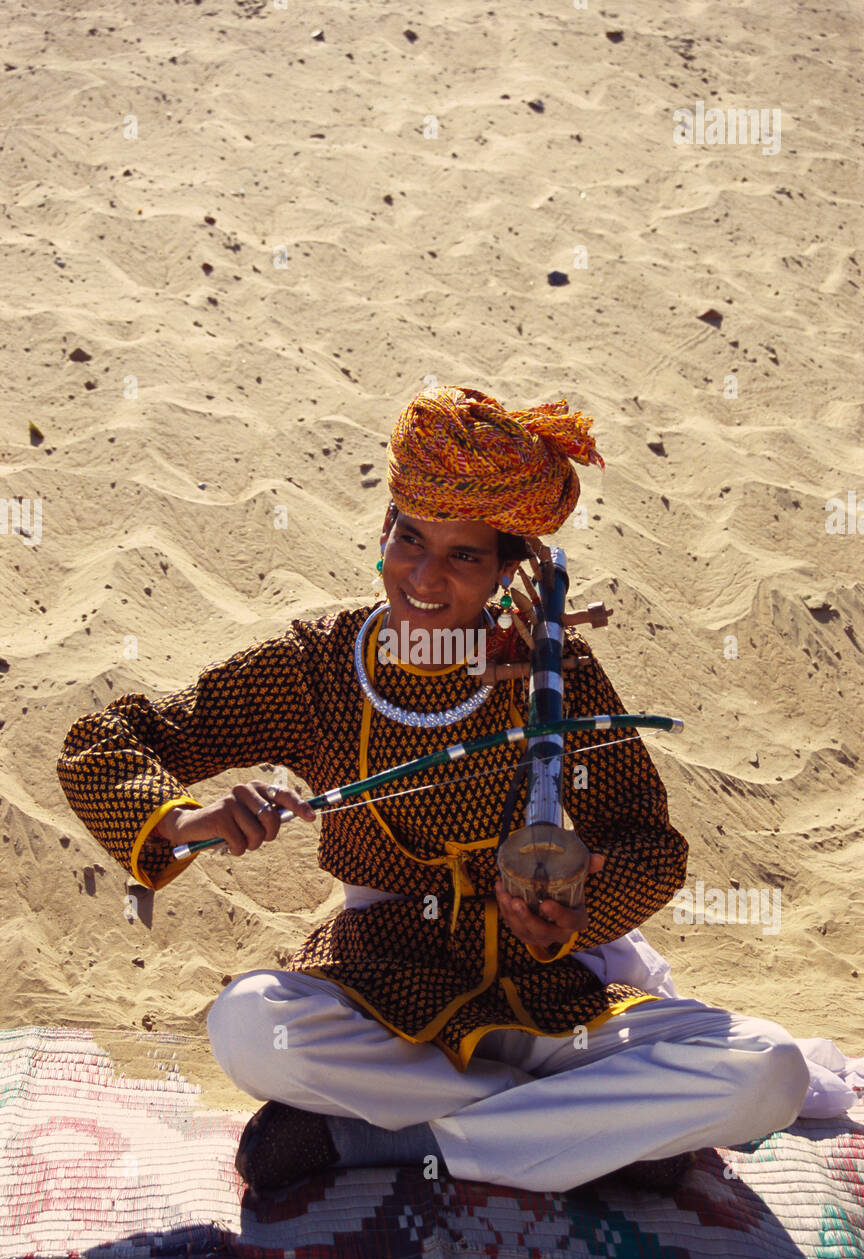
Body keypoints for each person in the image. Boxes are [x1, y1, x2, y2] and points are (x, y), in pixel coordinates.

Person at [56, 384, 810, 1197]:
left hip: (554, 986)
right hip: (383, 985)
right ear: (382, 535)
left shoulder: (552, 666)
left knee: (771, 1072)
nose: (424, 576)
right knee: (248, 1026)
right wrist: (186, 819)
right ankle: (592, 1136)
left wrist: (583, 906)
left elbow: (651, 844)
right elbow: (101, 744)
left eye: (463, 556)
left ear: (505, 571)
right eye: (410, 540)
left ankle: (390, 1140)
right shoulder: (321, 664)